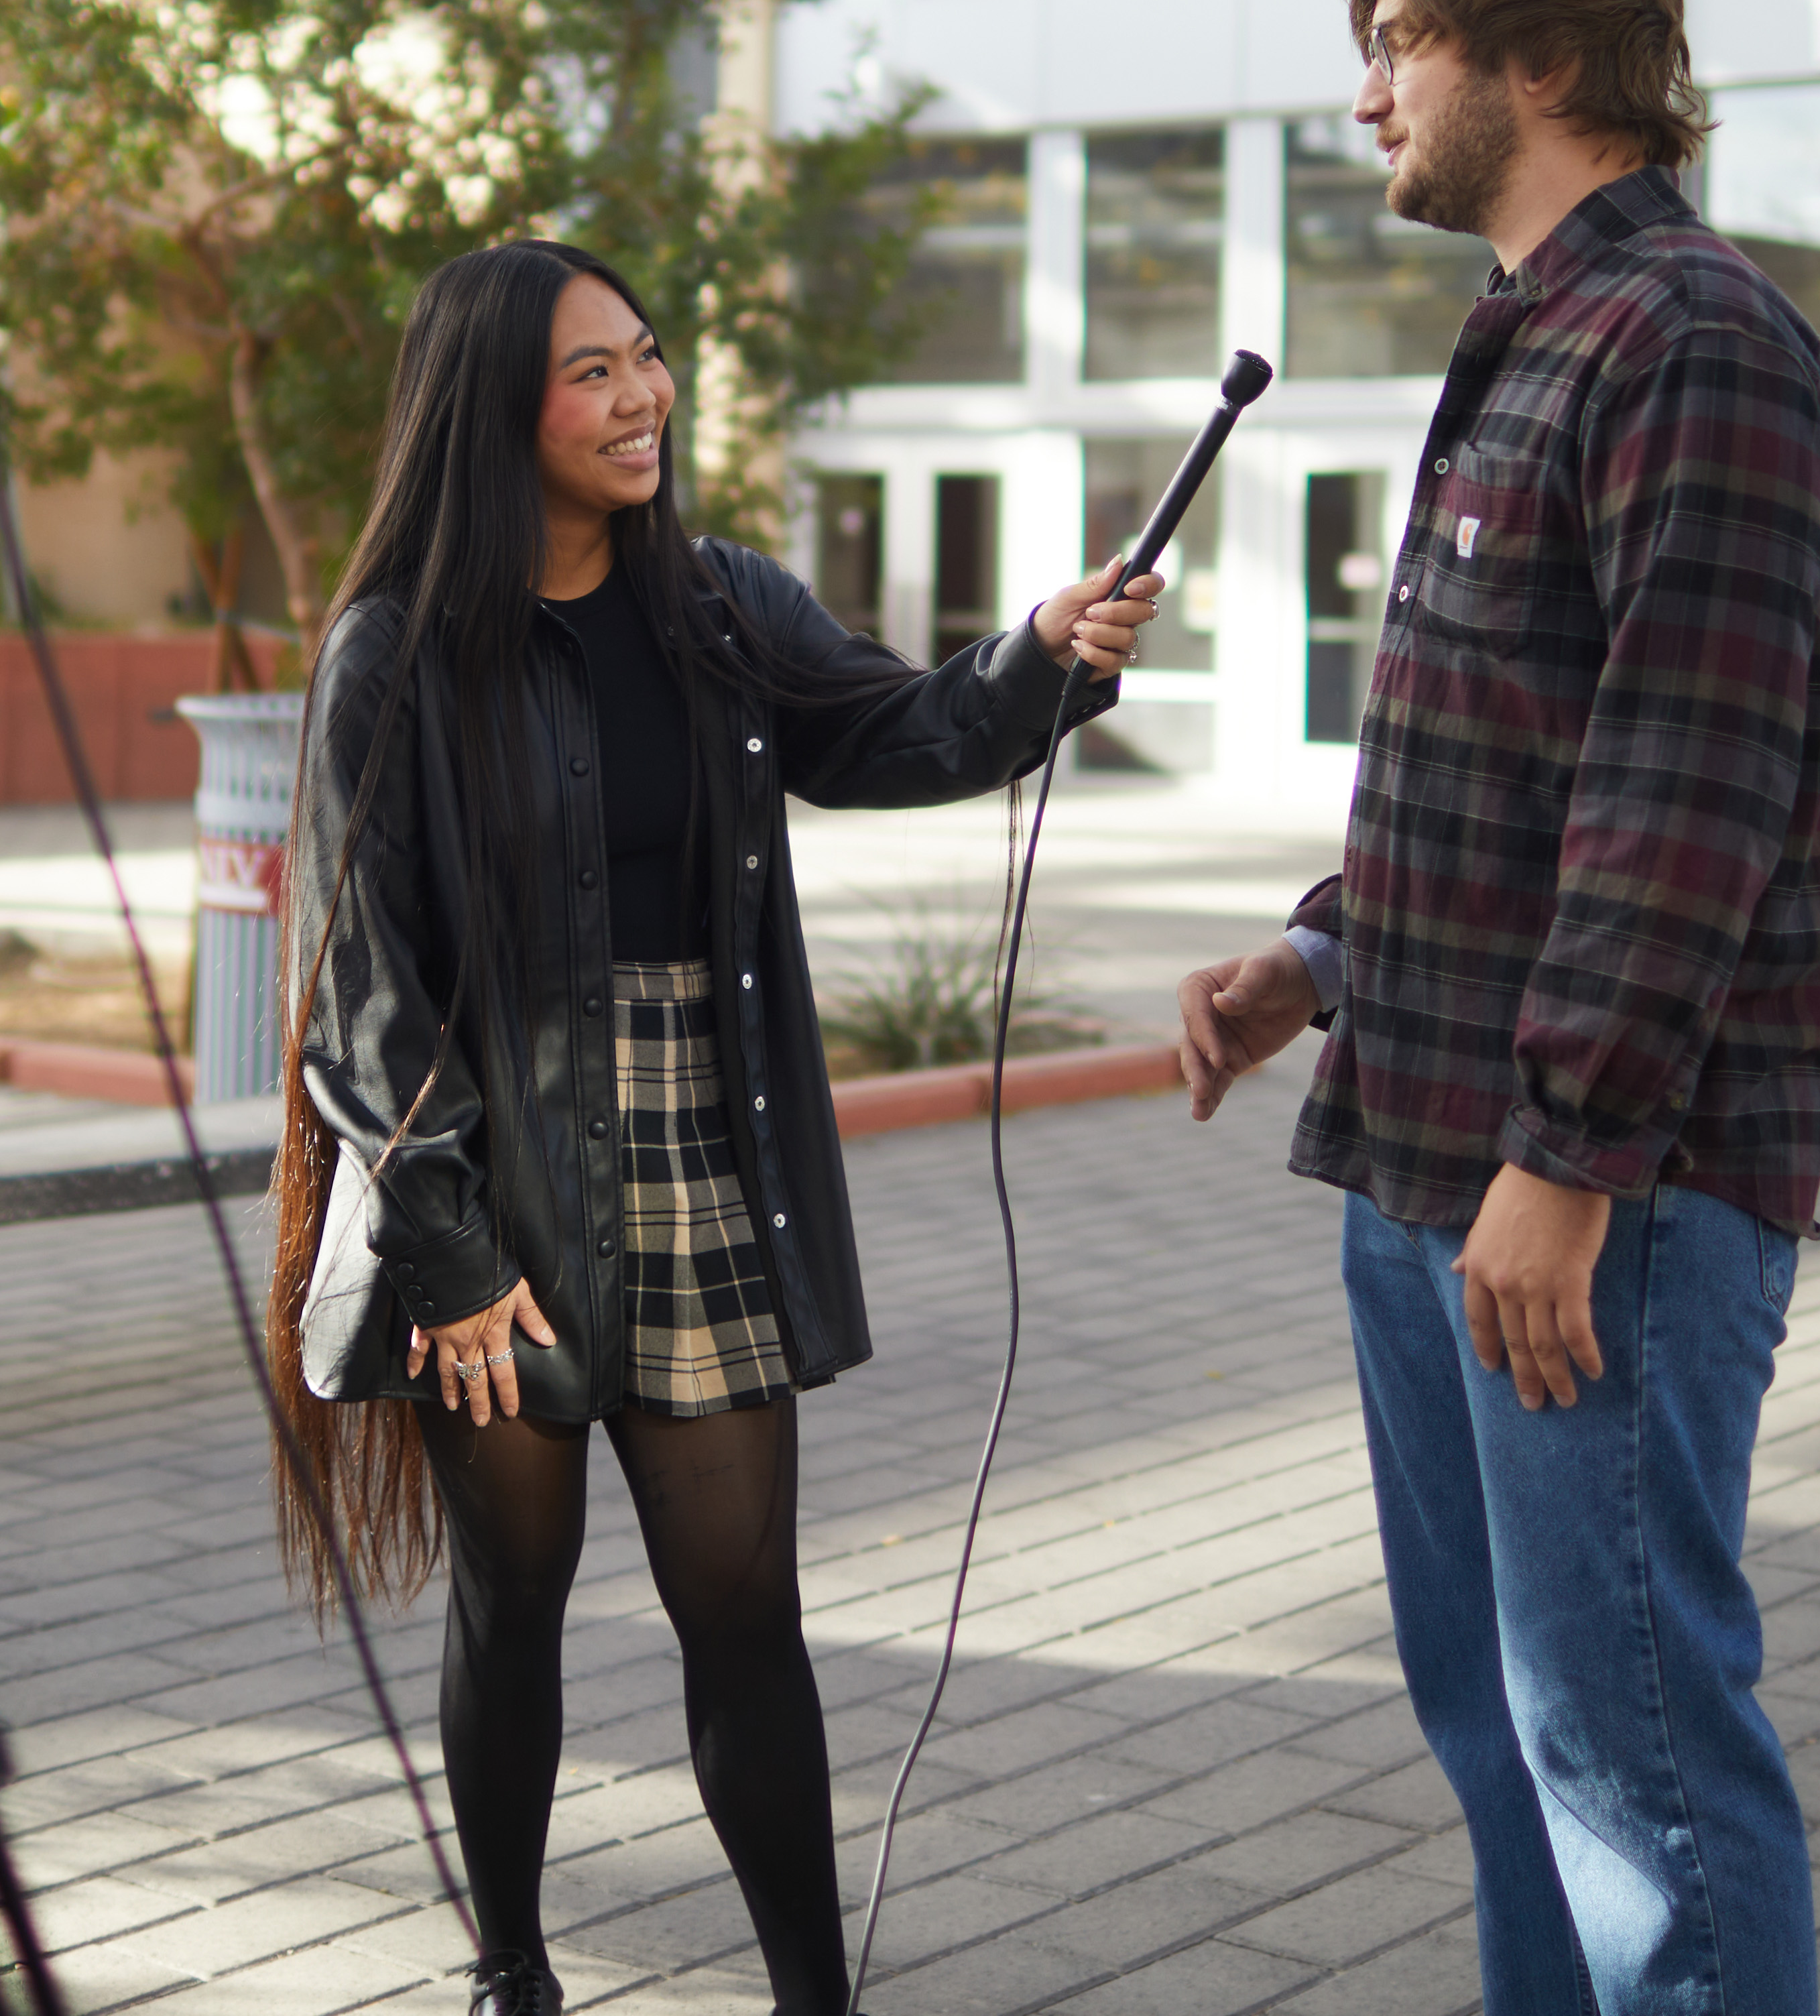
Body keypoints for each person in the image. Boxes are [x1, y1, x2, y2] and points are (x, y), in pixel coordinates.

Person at [265, 239, 1162, 2016]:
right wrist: (444, 1257)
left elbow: (896, 731)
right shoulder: (392, 655)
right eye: (593, 370)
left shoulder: (723, 603)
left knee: (743, 1612)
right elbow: (366, 982)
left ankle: (813, 1999)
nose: (643, 395)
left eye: (650, 359)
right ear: (492, 407)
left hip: (696, 1152)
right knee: (512, 1603)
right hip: (488, 1190)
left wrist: (1040, 658)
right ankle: (512, 1973)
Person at [1170, 0, 1820, 2016]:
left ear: (1545, 63)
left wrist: (1565, 1163)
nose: (1365, 97)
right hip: (1432, 1167)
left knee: (1631, 1760)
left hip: (1586, 1201)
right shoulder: (1530, 330)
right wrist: (1314, 959)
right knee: (1505, 1744)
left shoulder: (1697, 342)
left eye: (1401, 47)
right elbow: (1504, 764)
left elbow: (1683, 796)